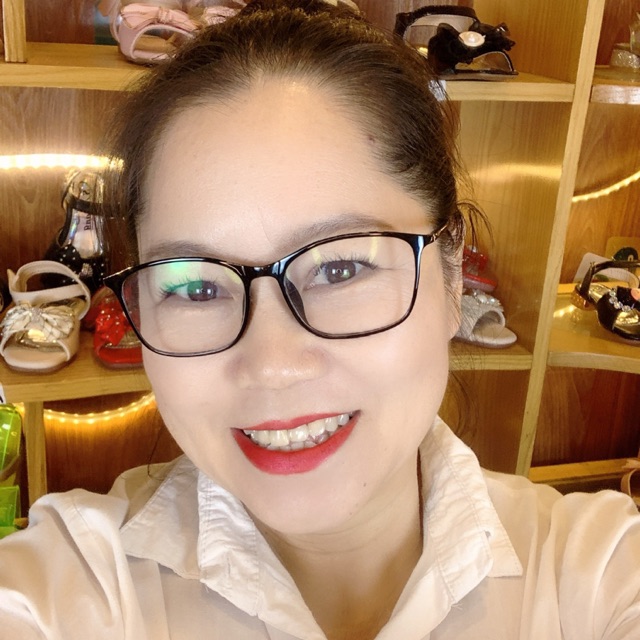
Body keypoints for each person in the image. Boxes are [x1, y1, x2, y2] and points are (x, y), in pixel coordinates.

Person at [1, 1, 639, 638]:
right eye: (196, 287)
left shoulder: (596, 570)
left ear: (451, 276)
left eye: (340, 268)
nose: (273, 365)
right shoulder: (68, 586)